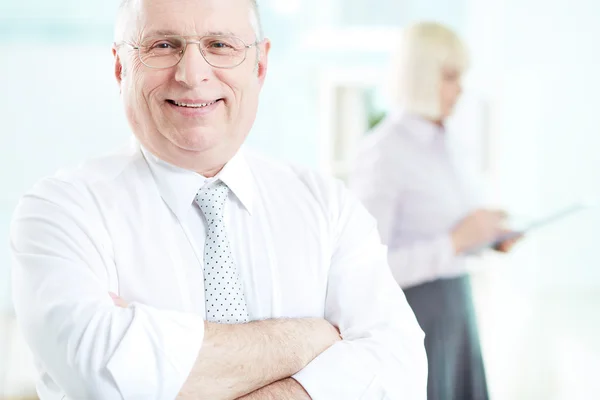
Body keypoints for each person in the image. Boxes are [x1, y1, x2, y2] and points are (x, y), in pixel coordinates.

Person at [9, 0, 427, 399]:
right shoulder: (60, 212)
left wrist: (156, 357)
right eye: (163, 45)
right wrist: (309, 340)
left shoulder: (328, 207)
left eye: (220, 45)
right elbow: (104, 376)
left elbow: (400, 372)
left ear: (260, 65)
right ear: (121, 67)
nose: (192, 74)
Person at [349, 22, 521, 400]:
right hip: (417, 318)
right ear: (422, 76)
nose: (460, 88)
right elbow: (367, 269)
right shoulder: (384, 152)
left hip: (458, 311)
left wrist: (485, 238)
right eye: (450, 76)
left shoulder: (450, 145)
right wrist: (457, 241)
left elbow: (452, 237)